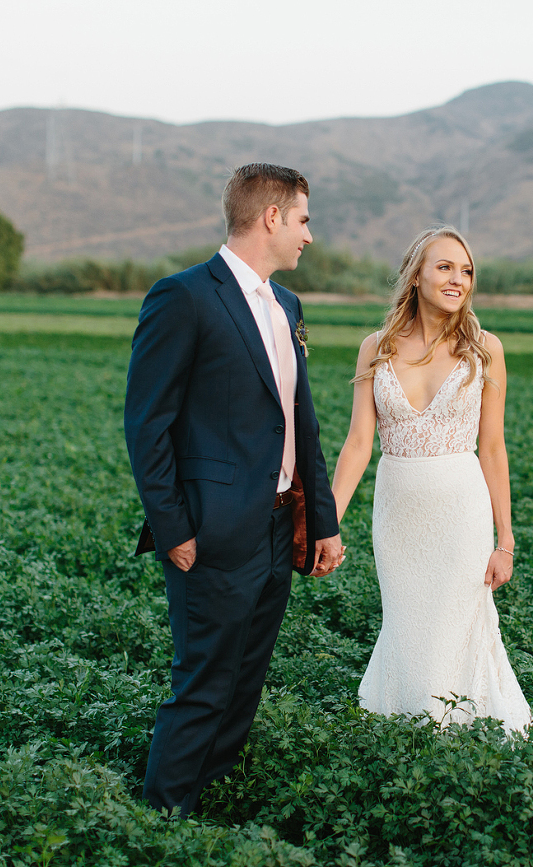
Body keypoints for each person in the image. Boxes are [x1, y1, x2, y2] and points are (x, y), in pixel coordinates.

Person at [124, 163, 344, 817]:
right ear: (271, 216)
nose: (309, 235)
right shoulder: (184, 295)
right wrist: (174, 531)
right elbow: (147, 424)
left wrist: (323, 521)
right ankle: (162, 817)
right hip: (211, 530)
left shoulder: (288, 307)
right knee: (203, 681)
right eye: (303, 219)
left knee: (245, 677)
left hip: (279, 527)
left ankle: (210, 802)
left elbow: (301, 423)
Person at [330, 225, 533, 735]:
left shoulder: (485, 348)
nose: (458, 279)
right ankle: (410, 730)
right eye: (445, 267)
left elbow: (493, 449)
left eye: (467, 270)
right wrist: (327, 523)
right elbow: (358, 445)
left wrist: (506, 540)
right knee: (408, 627)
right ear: (416, 275)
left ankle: (447, 735)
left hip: (462, 513)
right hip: (398, 517)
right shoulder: (377, 346)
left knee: (450, 630)